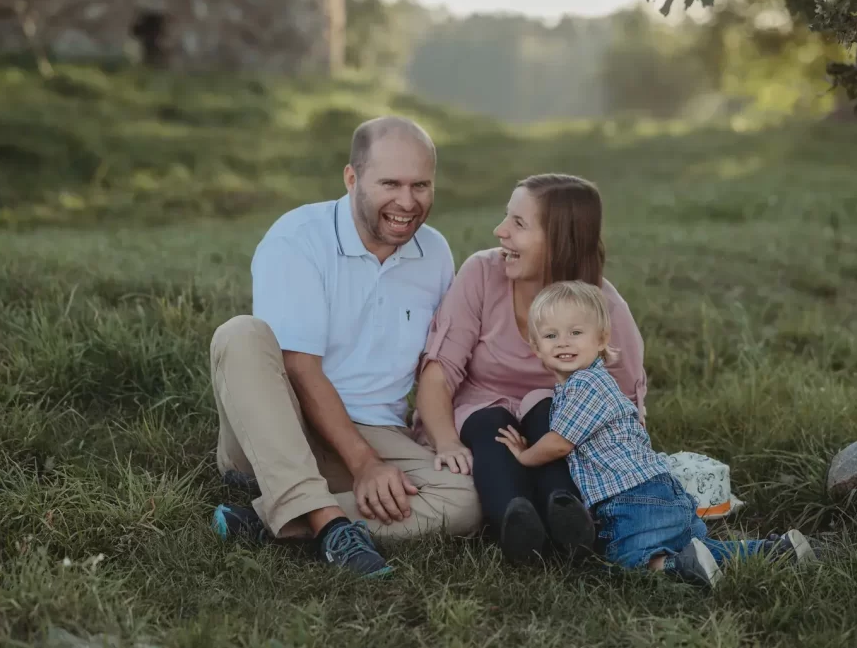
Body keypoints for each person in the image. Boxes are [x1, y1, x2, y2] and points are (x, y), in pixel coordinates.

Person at [208, 116, 481, 578]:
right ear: (351, 178)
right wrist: (365, 464)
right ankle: (330, 523)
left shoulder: (434, 253)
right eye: (390, 183)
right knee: (240, 334)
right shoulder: (298, 238)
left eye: (421, 185)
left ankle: (272, 516)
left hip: (380, 430)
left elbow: (440, 365)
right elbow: (299, 367)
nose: (407, 202)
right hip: (280, 423)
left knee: (467, 500)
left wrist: (443, 431)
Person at [494, 280, 817, 586]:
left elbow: (559, 445)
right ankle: (776, 550)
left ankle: (679, 569)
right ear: (536, 347)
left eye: (576, 332)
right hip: (657, 491)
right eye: (551, 336)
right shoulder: (581, 386)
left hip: (634, 498)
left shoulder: (586, 384)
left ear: (602, 338)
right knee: (698, 548)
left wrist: (525, 455)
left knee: (628, 557)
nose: (563, 341)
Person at [413, 173, 648, 563]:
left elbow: (622, 404)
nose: (500, 231)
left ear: (559, 240)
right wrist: (446, 441)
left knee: (548, 415)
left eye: (518, 224)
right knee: (489, 426)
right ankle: (515, 522)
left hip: (557, 426)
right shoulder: (482, 275)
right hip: (482, 413)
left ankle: (568, 516)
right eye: (507, 218)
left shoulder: (603, 307)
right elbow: (438, 372)